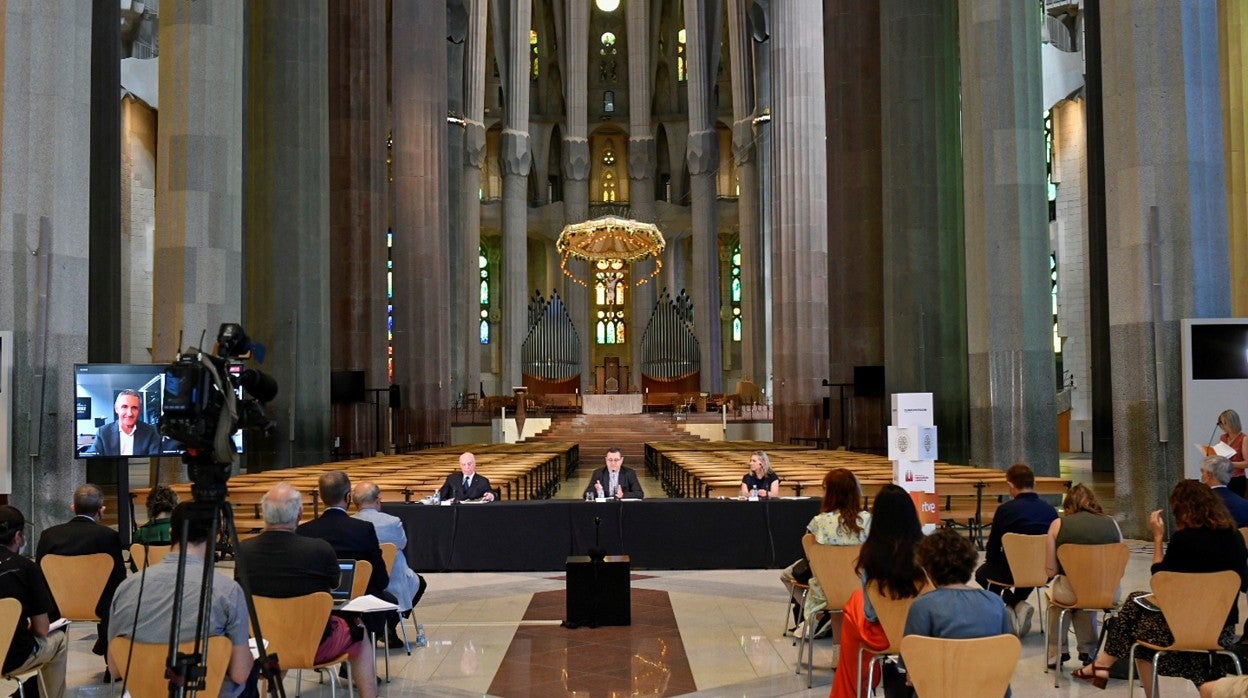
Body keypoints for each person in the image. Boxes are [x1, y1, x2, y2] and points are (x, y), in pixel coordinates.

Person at [1072, 480, 1248, 693]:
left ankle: (1103, 665)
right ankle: (1102, 664)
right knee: (1137, 603)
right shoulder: (1236, 537)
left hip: (1181, 627)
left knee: (1139, 638)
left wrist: (1157, 538)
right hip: (1222, 630)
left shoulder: (1183, 539)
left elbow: (1159, 580)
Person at [236, 483, 378, 698]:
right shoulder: (318, 549)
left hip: (265, 644)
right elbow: (334, 584)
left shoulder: (243, 550)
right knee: (359, 631)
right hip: (315, 643)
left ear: (264, 514)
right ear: (300, 513)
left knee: (277, 627)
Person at [107, 502, 252, 696]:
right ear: (216, 536)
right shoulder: (228, 591)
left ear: (171, 531)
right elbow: (239, 673)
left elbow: (114, 668)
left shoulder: (126, 588)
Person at [829, 484, 924, 698]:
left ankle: (852, 690)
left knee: (854, 607)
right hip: (924, 631)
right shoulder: (928, 551)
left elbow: (871, 614)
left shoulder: (871, 555)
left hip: (885, 634)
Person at [905, 528, 1013, 697]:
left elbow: (912, 667)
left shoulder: (922, 606)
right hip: (989, 691)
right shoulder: (996, 602)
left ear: (928, 570)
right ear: (970, 565)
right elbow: (1005, 656)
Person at [35, 483, 127, 658]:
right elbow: (119, 577)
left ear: (73, 508)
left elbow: (40, 575)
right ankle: (111, 658)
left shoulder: (49, 535)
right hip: (100, 606)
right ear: (102, 509)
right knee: (116, 595)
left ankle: (51, 657)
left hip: (58, 604)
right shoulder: (108, 536)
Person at [298, 472, 391, 638]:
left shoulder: (305, 531)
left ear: (321, 497)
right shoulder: (363, 529)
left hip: (318, 610)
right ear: (348, 497)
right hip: (360, 611)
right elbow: (381, 578)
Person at [973, 463, 1058, 637]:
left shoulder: (1005, 510)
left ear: (1010, 486)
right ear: (1034, 484)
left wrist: (991, 562)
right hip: (1043, 571)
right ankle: (1018, 603)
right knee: (1028, 574)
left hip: (1010, 571)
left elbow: (993, 547)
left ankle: (1010, 606)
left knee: (982, 574)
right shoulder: (1050, 511)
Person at [1043, 483, 1122, 668]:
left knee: (1057, 596)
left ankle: (1056, 652)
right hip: (1107, 592)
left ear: (1069, 507)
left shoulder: (1058, 525)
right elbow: (1120, 564)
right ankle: (1089, 650)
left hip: (1071, 592)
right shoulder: (1113, 523)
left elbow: (1050, 571)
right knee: (1087, 600)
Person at [0, 505, 67, 698]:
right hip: (12, 656)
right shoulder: (26, 568)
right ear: (18, 536)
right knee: (59, 640)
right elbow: (41, 629)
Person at [352, 481, 427, 646]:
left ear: (355, 503)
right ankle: (390, 625)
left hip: (361, 582)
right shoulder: (393, 522)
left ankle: (382, 627)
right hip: (392, 579)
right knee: (419, 583)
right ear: (378, 501)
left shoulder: (350, 524)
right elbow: (401, 543)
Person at [800, 468, 870, 630]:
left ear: (830, 493)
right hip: (863, 588)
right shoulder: (869, 521)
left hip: (827, 590)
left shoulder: (818, 523)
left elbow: (812, 559)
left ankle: (822, 621)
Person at [87, 389, 162, 456]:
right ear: (116, 409)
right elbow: (92, 457)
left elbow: (155, 459)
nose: (129, 413)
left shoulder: (151, 432)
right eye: (124, 407)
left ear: (140, 410)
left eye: (134, 408)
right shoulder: (103, 432)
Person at [1199, 454, 1248, 527]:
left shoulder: (1203, 504)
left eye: (1202, 472)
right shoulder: (1244, 504)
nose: (1202, 475)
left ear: (1209, 475)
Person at [1216, 409, 1247, 496]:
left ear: (1231, 422)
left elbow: (1247, 463)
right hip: (1223, 477)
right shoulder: (1223, 438)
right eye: (1220, 424)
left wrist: (1231, 464)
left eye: (1223, 423)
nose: (1222, 426)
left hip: (1237, 479)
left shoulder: (1243, 439)